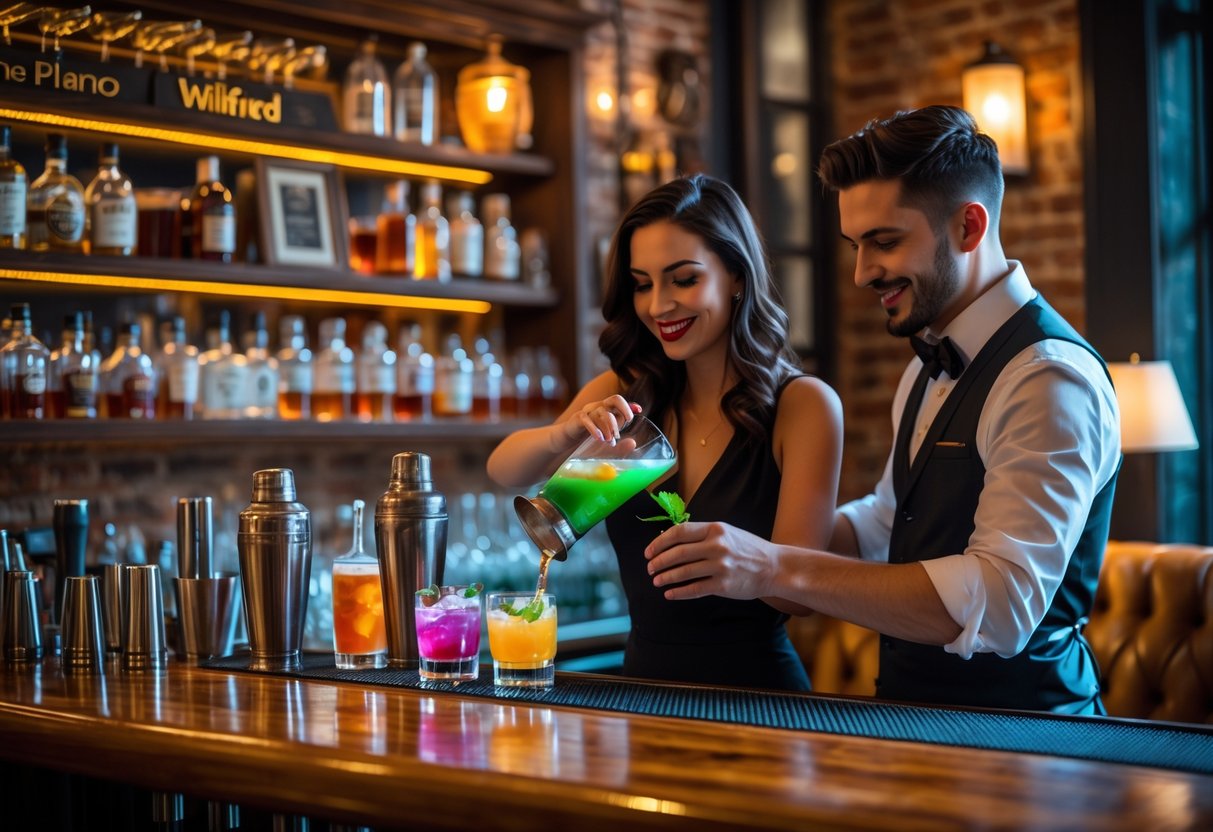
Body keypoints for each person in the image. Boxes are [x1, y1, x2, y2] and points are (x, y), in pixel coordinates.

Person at [644, 106, 1121, 715]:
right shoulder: (926, 365)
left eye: (884, 242)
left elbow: (1000, 605)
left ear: (969, 227)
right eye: (854, 245)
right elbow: (887, 523)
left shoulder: (1048, 377)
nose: (862, 272)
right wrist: (758, 516)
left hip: (1032, 746)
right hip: (912, 721)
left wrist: (771, 567)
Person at [487, 174, 843, 690]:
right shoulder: (627, 391)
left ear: (737, 276)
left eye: (683, 279)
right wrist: (565, 434)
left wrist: (741, 560)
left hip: (763, 703)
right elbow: (503, 468)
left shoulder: (803, 405)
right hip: (644, 696)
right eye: (642, 283)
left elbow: (799, 595)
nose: (658, 306)